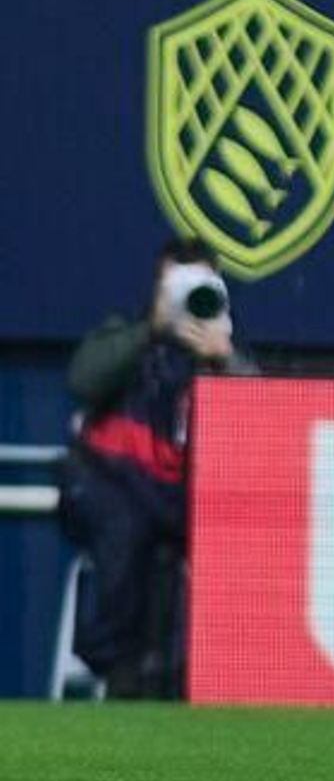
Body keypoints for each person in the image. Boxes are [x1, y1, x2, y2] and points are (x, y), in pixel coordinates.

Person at [58, 236, 252, 698]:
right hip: (106, 481)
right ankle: (120, 669)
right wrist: (151, 329)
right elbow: (82, 380)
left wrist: (224, 359)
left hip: (181, 497)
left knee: (238, 533)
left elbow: (261, 422)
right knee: (124, 526)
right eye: (176, 286)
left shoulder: (220, 350)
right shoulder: (126, 334)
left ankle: (221, 674)